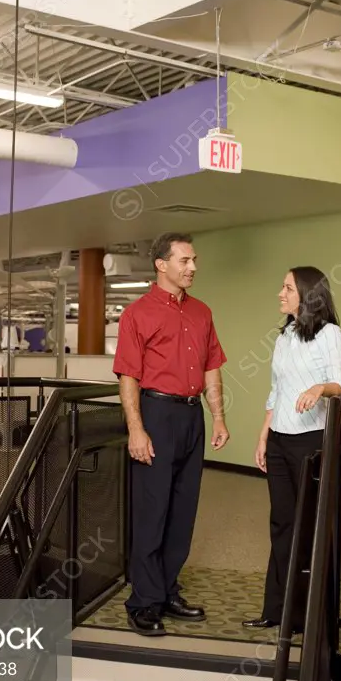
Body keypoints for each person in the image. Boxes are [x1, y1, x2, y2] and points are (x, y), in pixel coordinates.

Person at [113, 232, 230, 637]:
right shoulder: (137, 314)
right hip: (156, 414)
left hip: (192, 416)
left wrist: (218, 417)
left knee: (182, 512)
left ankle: (166, 590)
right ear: (162, 265)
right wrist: (136, 429)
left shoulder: (202, 312)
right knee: (152, 511)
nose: (192, 267)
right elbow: (128, 376)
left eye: (194, 259)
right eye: (184, 260)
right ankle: (143, 601)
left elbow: (212, 366)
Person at [244, 266, 341, 633]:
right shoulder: (284, 336)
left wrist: (319, 389)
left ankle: (316, 614)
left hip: (311, 441)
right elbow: (275, 392)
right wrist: (263, 436)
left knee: (311, 527)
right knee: (282, 524)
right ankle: (277, 611)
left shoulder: (329, 334)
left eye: (287, 287)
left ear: (307, 295)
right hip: (279, 439)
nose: (280, 293)